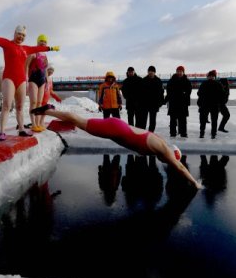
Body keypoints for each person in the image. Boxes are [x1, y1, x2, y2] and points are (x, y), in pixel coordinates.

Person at [31, 104, 202, 189]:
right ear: (172, 154)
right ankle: (48, 110)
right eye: (171, 159)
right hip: (114, 129)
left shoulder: (160, 145)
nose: (168, 162)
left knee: (79, 122)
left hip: (117, 128)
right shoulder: (163, 149)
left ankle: (51, 112)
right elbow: (179, 167)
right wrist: (195, 183)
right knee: (79, 121)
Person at [0, 20, 59, 141]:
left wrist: (51, 48)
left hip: (22, 80)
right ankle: (2, 131)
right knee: (7, 105)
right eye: (19, 34)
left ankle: (22, 129)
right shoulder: (7, 44)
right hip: (9, 78)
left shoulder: (26, 49)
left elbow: (38, 47)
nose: (21, 37)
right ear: (14, 33)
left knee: (19, 107)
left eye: (23, 35)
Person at [25, 34, 50, 132]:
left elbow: (46, 70)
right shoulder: (33, 53)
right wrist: (26, 79)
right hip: (33, 79)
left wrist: (47, 81)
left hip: (42, 80)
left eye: (45, 41)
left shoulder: (45, 55)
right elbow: (26, 66)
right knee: (34, 102)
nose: (43, 43)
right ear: (37, 42)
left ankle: (38, 123)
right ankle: (33, 124)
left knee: (40, 103)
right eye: (41, 41)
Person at [165, 65, 192, 138]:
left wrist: (184, 94)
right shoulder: (171, 80)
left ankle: (183, 133)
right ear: (176, 72)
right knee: (173, 119)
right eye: (178, 71)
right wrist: (166, 99)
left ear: (183, 72)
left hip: (183, 103)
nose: (179, 73)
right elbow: (168, 91)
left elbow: (189, 91)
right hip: (173, 103)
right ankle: (172, 133)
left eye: (181, 71)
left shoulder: (187, 81)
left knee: (182, 119)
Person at [197, 70, 224, 139]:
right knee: (203, 120)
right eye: (209, 76)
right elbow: (199, 93)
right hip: (204, 105)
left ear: (214, 77)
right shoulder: (204, 84)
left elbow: (222, 95)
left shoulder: (218, 84)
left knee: (214, 120)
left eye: (212, 76)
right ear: (207, 77)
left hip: (214, 105)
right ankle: (202, 133)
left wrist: (219, 104)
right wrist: (200, 103)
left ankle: (213, 134)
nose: (211, 77)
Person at [138, 65, 164, 132]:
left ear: (154, 72)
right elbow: (140, 93)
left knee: (152, 120)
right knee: (143, 120)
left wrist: (160, 102)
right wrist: (140, 102)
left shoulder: (158, 81)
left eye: (152, 71)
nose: (150, 72)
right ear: (148, 72)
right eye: (149, 71)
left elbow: (161, 93)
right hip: (144, 104)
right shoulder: (143, 80)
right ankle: (143, 133)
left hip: (154, 104)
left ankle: (151, 133)